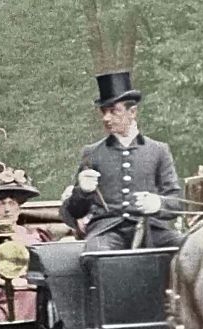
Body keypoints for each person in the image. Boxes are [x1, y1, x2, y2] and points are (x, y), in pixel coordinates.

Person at [60, 71, 182, 251]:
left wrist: (158, 204)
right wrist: (83, 192)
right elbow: (75, 212)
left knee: (188, 248)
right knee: (96, 252)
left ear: (132, 112)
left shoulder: (158, 150)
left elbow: (176, 201)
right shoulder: (91, 153)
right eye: (104, 111)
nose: (106, 118)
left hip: (152, 229)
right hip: (106, 232)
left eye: (113, 111)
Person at [0, 168, 51, 324]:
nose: (7, 209)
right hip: (3, 292)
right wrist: (9, 282)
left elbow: (49, 265)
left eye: (12, 203)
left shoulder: (35, 235)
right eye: (0, 204)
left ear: (18, 210)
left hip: (38, 289)